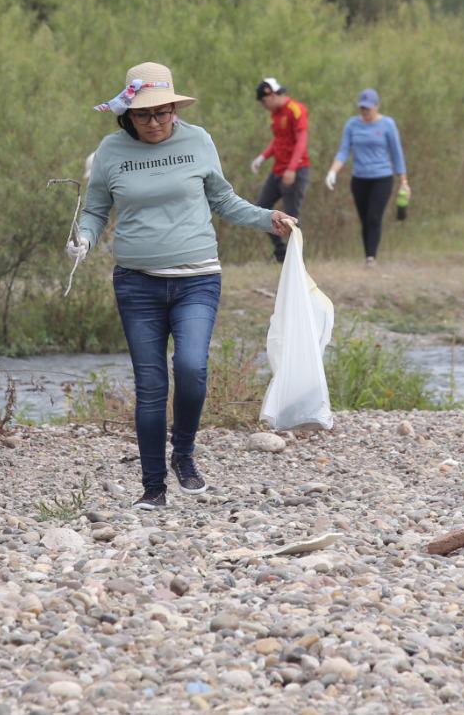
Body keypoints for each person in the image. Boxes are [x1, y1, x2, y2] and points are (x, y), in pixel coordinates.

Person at [69, 62, 296, 510]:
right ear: (127, 115)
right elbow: (95, 210)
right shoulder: (111, 151)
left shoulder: (199, 141)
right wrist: (83, 238)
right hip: (137, 285)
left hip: (197, 278)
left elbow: (223, 200)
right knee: (150, 384)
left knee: (191, 368)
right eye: (143, 115)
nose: (154, 122)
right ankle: (153, 488)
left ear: (174, 108)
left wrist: (267, 219)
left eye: (162, 112)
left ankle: (184, 455)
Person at [325, 89, 409, 266]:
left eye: (369, 108)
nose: (365, 111)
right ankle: (368, 255)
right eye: (362, 108)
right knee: (364, 218)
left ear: (377, 106)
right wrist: (333, 171)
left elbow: (396, 153)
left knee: (374, 216)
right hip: (359, 179)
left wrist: (403, 179)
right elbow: (344, 151)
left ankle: (371, 257)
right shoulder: (352, 125)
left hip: (382, 177)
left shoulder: (387, 124)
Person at [249, 77, 310, 263]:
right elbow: (278, 140)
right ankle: (281, 251)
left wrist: (292, 169)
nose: (263, 105)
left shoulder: (295, 110)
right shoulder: (275, 114)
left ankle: (297, 260)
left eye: (264, 101)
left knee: (292, 218)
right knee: (262, 208)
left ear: (272, 94)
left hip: (296, 170)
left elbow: (301, 140)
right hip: (278, 170)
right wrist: (263, 157)